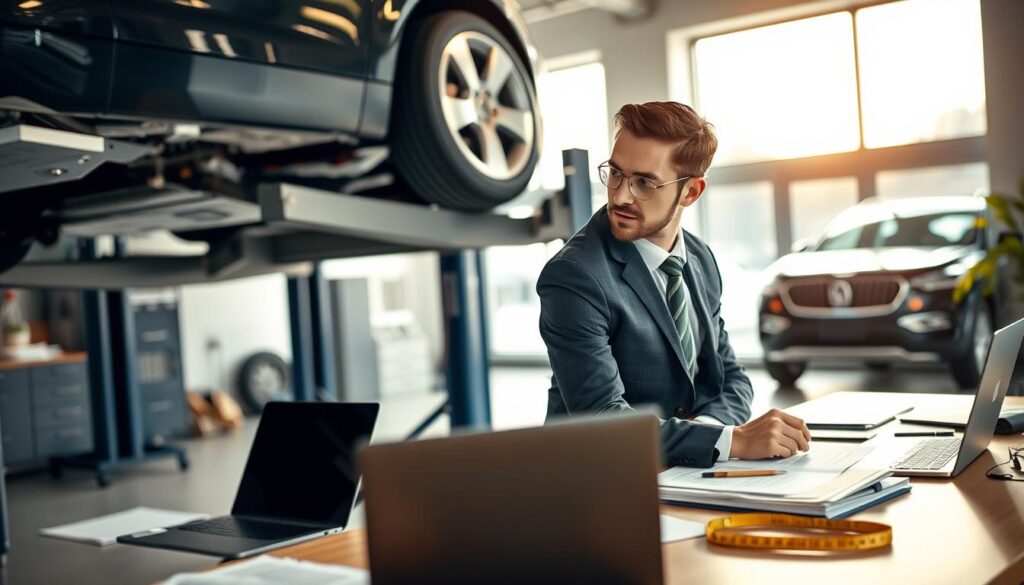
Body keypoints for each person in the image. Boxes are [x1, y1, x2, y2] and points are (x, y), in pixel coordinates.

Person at [537, 101, 810, 467]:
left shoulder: (699, 259)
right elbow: (602, 419)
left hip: (682, 477)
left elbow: (730, 377)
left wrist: (709, 433)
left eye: (644, 183)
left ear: (691, 192)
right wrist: (733, 441)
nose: (620, 195)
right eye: (615, 173)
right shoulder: (574, 276)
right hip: (594, 483)